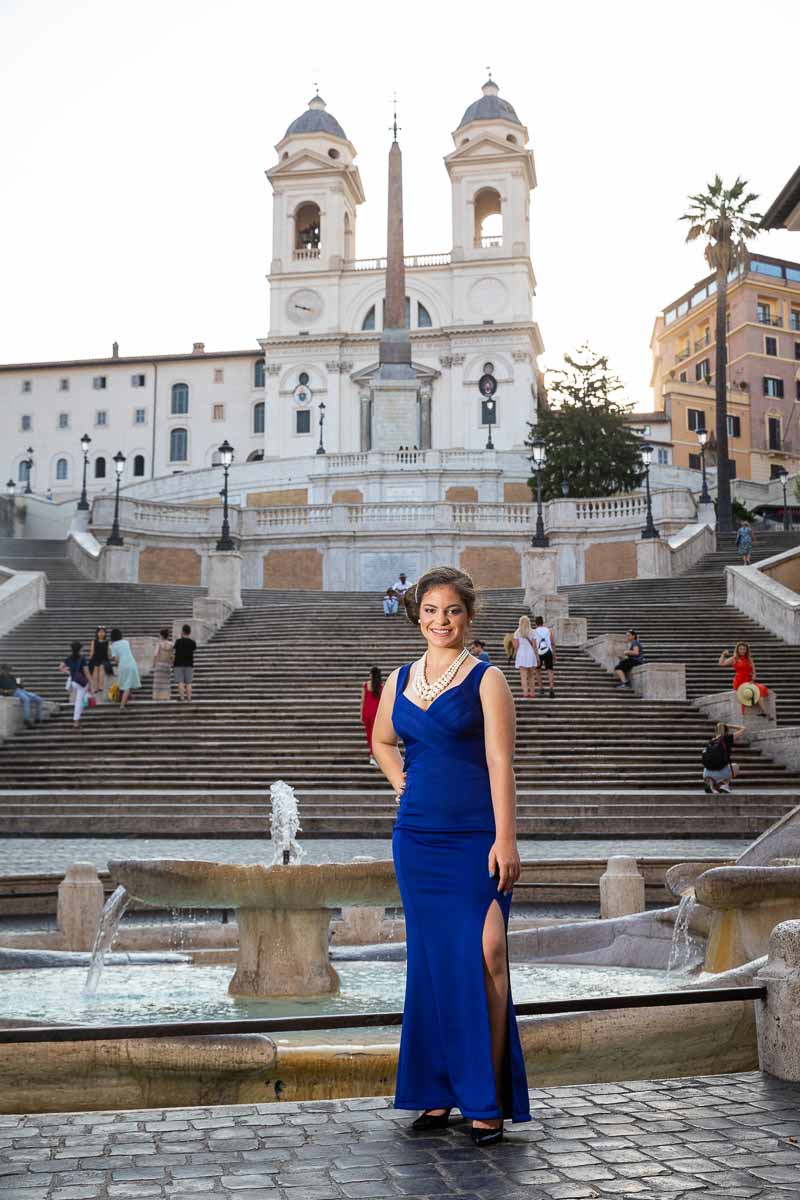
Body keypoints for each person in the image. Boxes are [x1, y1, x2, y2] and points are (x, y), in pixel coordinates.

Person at [372, 565, 530, 1144]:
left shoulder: (487, 678)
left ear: (469, 616)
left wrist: (506, 838)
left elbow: (500, 764)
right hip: (417, 838)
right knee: (432, 965)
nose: (442, 621)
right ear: (417, 615)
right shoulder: (400, 678)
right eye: (432, 611)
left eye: (453, 611)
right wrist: (401, 784)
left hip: (476, 836)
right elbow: (382, 739)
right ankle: (435, 1093)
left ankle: (484, 1095)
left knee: (490, 951)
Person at [719, 642, 770, 717]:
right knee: (755, 690)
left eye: (744, 649)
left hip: (748, 680)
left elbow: (754, 671)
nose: (742, 651)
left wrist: (753, 680)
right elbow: (721, 663)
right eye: (740, 649)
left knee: (761, 688)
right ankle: (765, 712)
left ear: (747, 650)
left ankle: (763, 711)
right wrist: (723, 655)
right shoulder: (734, 659)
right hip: (739, 681)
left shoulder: (749, 659)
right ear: (737, 650)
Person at [702, 721, 745, 794]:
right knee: (736, 766)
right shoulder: (727, 738)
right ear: (726, 731)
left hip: (706, 774)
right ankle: (724, 783)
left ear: (716, 731)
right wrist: (729, 725)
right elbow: (743, 728)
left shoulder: (711, 741)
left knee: (711, 769)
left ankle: (711, 785)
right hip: (722, 772)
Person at [58, 640, 93, 729]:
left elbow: (60, 667)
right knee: (79, 701)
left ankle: (78, 718)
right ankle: (76, 721)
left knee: (80, 700)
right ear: (79, 649)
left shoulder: (69, 658)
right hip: (82, 682)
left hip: (74, 682)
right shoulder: (82, 658)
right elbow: (87, 672)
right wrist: (91, 683)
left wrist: (68, 672)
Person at [0, 663, 45, 727]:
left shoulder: (11, 676)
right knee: (26, 699)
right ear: (2, 670)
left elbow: (20, 687)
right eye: (7, 670)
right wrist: (6, 691)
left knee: (39, 699)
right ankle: (26, 719)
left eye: (9, 670)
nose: (8, 672)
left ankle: (38, 718)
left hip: (20, 691)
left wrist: (21, 683)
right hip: (13, 692)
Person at [109, 628, 141, 708]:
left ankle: (122, 705)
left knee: (125, 684)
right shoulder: (126, 642)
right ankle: (129, 696)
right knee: (128, 682)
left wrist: (118, 664)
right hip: (132, 664)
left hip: (123, 665)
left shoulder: (113, 646)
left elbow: (116, 659)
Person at [360, 666, 383, 766]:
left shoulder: (365, 685)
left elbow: (362, 700)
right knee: (377, 735)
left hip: (367, 711)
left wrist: (361, 714)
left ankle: (372, 755)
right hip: (376, 712)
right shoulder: (381, 686)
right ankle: (376, 756)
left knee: (369, 734)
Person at [512, 614, 537, 699]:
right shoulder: (532, 632)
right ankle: (532, 693)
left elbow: (516, 646)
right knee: (531, 675)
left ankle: (525, 693)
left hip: (521, 653)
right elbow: (534, 645)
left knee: (523, 675)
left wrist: (514, 654)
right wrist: (537, 656)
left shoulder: (517, 632)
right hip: (530, 653)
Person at [533, 616, 556, 698]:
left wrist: (536, 656)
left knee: (538, 670)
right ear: (543, 622)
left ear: (536, 623)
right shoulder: (549, 630)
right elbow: (553, 643)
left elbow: (534, 645)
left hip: (539, 652)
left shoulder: (534, 632)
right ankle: (551, 689)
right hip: (548, 651)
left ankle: (541, 688)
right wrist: (554, 654)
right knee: (550, 670)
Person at [173, 624, 197, 703]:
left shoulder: (178, 641)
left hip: (178, 664)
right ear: (189, 632)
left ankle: (182, 698)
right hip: (189, 664)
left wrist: (180, 637)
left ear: (182, 631)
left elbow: (174, 649)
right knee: (188, 682)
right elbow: (194, 649)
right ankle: (189, 699)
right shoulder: (192, 643)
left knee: (180, 682)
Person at [87, 626, 112, 699]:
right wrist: (89, 659)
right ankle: (95, 688)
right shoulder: (93, 641)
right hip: (95, 659)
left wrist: (110, 656)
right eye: (100, 632)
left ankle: (101, 687)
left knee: (102, 669)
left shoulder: (107, 642)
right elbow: (91, 652)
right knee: (95, 670)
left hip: (104, 659)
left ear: (105, 633)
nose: (101, 634)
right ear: (97, 633)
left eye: (103, 632)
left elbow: (108, 653)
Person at [152, 628, 174, 702]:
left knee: (158, 683)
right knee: (166, 682)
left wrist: (154, 664)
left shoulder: (159, 644)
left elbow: (155, 654)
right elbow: (172, 656)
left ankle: (158, 697)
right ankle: (166, 697)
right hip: (167, 665)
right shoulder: (171, 644)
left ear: (161, 636)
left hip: (159, 664)